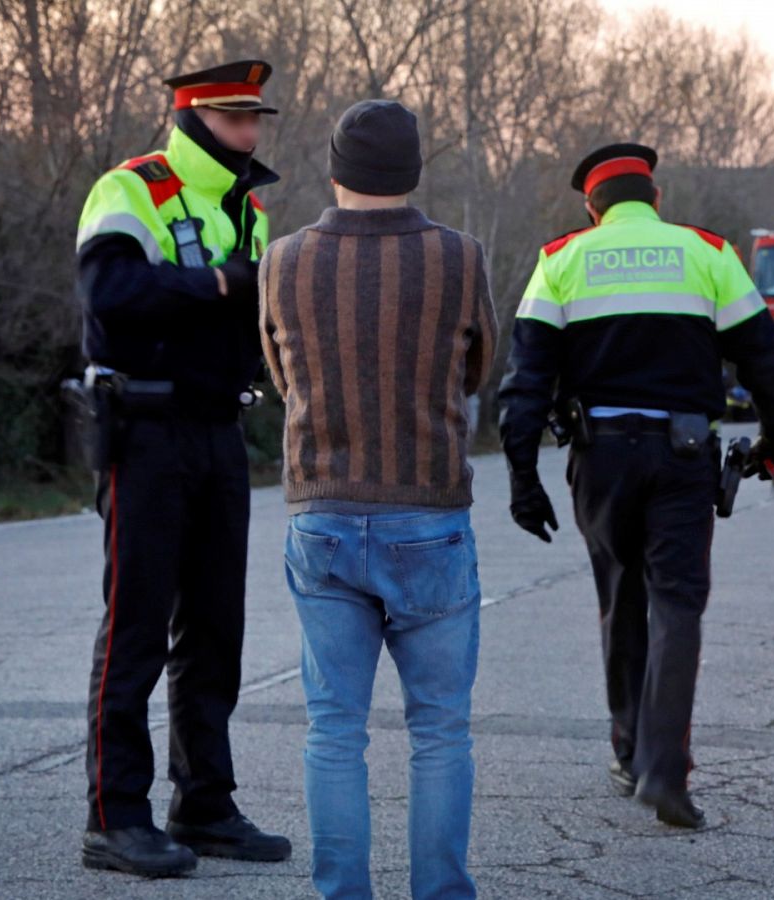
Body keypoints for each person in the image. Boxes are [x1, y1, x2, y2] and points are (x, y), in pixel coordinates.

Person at [497, 142, 774, 829]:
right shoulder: (707, 252)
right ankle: (665, 772)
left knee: (620, 598)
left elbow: (527, 380)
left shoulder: (560, 260)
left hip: (600, 461)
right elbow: (764, 358)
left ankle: (630, 751)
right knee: (678, 605)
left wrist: (522, 477)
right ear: (655, 199)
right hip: (683, 457)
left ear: (591, 207)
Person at [259, 99, 497, 899]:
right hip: (427, 513)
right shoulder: (459, 257)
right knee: (439, 734)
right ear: (414, 170)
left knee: (334, 732)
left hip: (320, 513)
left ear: (334, 170)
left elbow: (281, 377)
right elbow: (477, 371)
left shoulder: (282, 259)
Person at [74, 59, 289, 877]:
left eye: (256, 118)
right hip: (146, 430)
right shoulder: (130, 188)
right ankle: (113, 817)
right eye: (237, 119)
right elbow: (110, 293)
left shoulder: (251, 210)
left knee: (213, 629)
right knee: (134, 627)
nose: (251, 132)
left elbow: (261, 322)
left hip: (219, 432)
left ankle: (204, 803)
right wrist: (219, 284)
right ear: (198, 119)